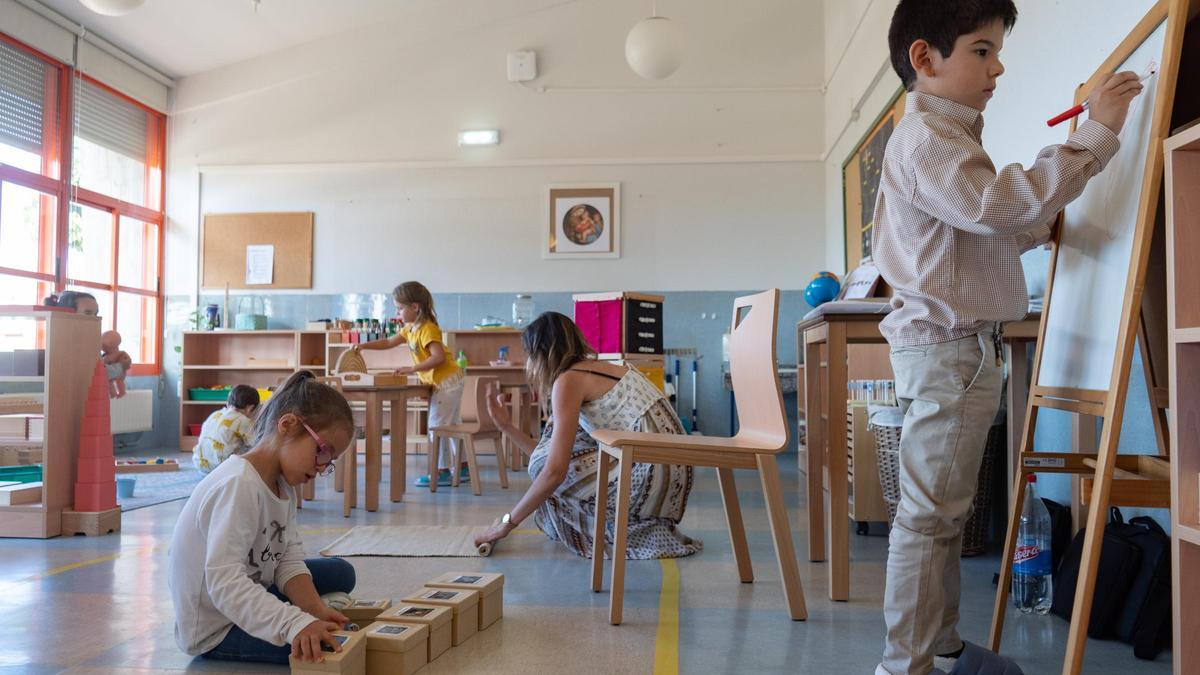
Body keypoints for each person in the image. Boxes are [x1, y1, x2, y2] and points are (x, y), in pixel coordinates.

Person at [873, 2, 1143, 673]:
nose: (998, 67)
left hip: (950, 350)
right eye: (982, 51)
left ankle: (941, 647)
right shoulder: (930, 139)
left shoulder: (945, 141)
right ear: (925, 59)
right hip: (951, 351)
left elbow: (976, 236)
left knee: (938, 515)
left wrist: (1032, 226)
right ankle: (904, 664)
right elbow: (1000, 206)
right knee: (930, 518)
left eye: (997, 51)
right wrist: (1096, 135)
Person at [473, 311, 699, 559]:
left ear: (543, 354)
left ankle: (619, 530)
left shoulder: (569, 380)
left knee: (544, 470)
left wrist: (506, 524)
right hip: (672, 475)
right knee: (554, 449)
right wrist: (506, 427)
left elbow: (552, 471)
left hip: (652, 473)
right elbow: (548, 456)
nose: (529, 364)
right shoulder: (600, 370)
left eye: (529, 355)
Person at [168, 370, 357, 665]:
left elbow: (287, 559)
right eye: (322, 452)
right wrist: (295, 623)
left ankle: (283, 610)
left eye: (329, 462)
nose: (322, 467)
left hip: (250, 587)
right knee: (326, 648)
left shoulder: (284, 486)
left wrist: (313, 610)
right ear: (287, 425)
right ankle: (278, 615)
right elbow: (225, 584)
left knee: (342, 572)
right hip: (216, 626)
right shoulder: (239, 485)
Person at [355, 281, 466, 487]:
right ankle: (463, 466)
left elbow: (438, 357)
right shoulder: (410, 329)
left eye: (400, 308)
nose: (397, 312)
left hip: (447, 381)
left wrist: (412, 369)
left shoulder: (428, 329)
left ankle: (441, 471)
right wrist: (364, 346)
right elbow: (388, 342)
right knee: (450, 424)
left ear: (415, 307)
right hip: (447, 381)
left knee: (437, 427)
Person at [193, 384, 261, 474]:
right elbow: (256, 444)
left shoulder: (215, 414)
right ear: (250, 408)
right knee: (253, 448)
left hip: (200, 465)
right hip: (220, 469)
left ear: (228, 403)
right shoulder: (243, 420)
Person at [100, 330, 132, 398]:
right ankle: (114, 394)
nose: (102, 349)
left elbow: (107, 360)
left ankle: (121, 392)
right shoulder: (115, 353)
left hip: (119, 372)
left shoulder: (115, 354)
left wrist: (104, 360)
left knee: (117, 382)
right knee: (111, 382)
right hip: (116, 370)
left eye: (104, 347)